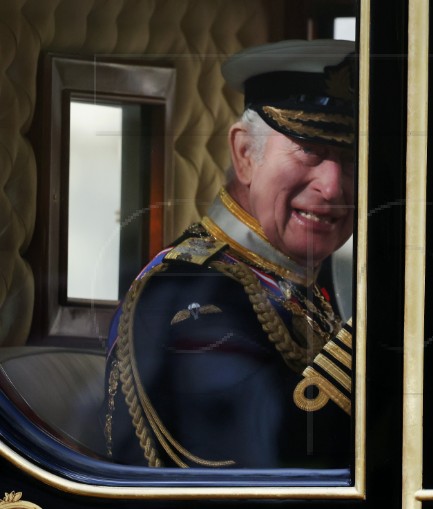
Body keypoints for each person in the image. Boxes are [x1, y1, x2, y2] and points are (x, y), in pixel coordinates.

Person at [104, 39, 356, 470]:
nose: (332, 187)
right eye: (309, 149)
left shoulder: (298, 281)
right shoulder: (186, 289)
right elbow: (272, 465)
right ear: (244, 155)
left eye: (351, 158)